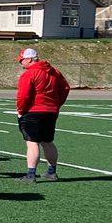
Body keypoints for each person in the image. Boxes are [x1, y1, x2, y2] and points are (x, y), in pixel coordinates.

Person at [15, 47, 71, 182]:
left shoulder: (29, 74)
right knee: (48, 141)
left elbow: (23, 95)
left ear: (29, 59)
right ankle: (51, 171)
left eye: (21, 60)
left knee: (32, 142)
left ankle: (31, 174)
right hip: (51, 111)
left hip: (33, 111)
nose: (20, 62)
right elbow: (65, 88)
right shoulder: (55, 72)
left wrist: (20, 110)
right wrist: (56, 104)